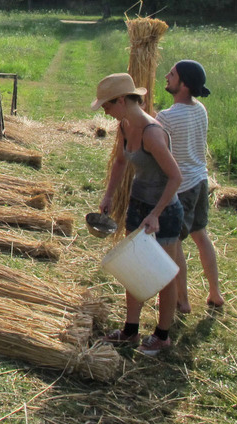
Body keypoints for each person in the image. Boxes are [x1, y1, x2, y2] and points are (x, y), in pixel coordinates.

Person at [92, 73, 184, 356]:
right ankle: (130, 330)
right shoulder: (124, 125)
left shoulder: (151, 133)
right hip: (138, 205)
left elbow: (175, 177)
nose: (105, 111)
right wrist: (109, 195)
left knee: (164, 274)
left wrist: (156, 214)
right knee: (134, 267)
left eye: (107, 105)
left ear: (121, 100)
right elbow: (120, 161)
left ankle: (162, 335)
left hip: (164, 211)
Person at [157, 60, 224, 313]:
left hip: (181, 188)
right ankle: (215, 293)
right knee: (201, 235)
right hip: (201, 180)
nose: (166, 76)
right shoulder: (201, 109)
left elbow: (157, 144)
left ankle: (182, 301)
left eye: (171, 74)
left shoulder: (167, 117)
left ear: (183, 84)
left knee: (174, 244)